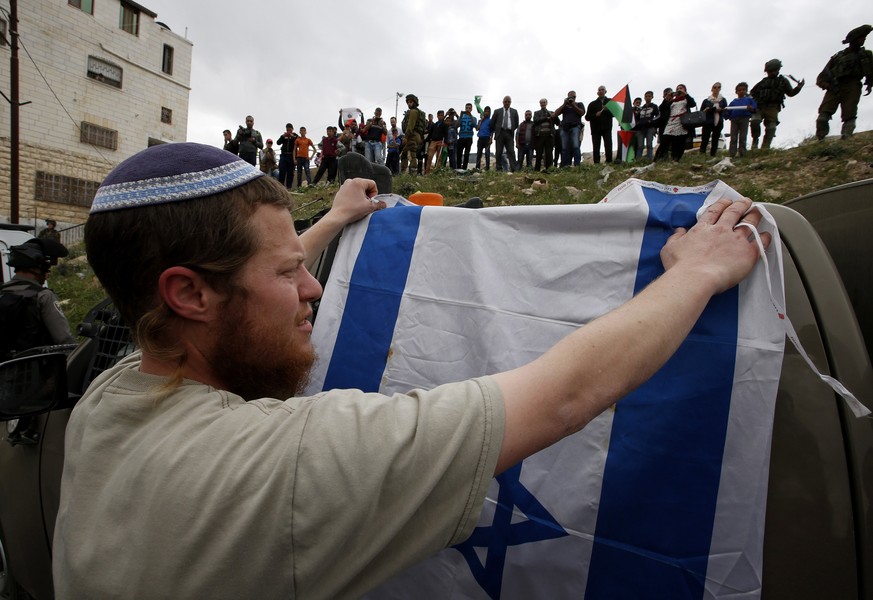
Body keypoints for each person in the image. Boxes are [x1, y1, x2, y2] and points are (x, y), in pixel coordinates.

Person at [53, 141, 767, 598]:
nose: (312, 291)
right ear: (189, 292)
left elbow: (228, 297)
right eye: (289, 272)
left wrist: (328, 224)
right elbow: (565, 395)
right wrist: (694, 276)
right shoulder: (285, 462)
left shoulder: (116, 392)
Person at [1, 237, 76, 360]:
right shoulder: (43, 296)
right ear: (35, 268)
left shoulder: (2, 293)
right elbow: (64, 340)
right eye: (46, 269)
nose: (47, 275)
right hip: (36, 373)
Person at [815, 24, 873, 140]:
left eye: (864, 38)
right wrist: (826, 84)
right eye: (861, 38)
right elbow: (821, 76)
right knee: (823, 116)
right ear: (854, 40)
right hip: (834, 87)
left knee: (849, 115)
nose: (863, 40)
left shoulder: (866, 55)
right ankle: (821, 139)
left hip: (853, 86)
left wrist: (870, 83)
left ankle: (846, 139)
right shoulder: (837, 57)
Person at [750, 59, 804, 149]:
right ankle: (755, 142)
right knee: (755, 121)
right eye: (769, 71)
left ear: (778, 70)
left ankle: (765, 148)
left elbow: (790, 93)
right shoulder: (763, 82)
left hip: (773, 107)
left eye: (773, 71)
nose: (771, 73)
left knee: (771, 127)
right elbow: (752, 93)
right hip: (760, 106)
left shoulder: (782, 81)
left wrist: (798, 87)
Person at [660, 84, 697, 161]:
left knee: (679, 142)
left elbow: (693, 104)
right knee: (665, 139)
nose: (679, 90)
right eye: (677, 89)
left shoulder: (686, 99)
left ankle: (676, 159)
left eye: (681, 88)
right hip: (671, 121)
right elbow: (662, 109)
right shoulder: (672, 101)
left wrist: (685, 94)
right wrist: (667, 98)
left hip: (682, 122)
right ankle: (658, 159)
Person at [553, 90, 586, 166]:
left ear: (575, 97)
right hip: (564, 128)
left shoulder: (579, 104)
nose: (571, 98)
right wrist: (564, 104)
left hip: (575, 127)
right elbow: (555, 114)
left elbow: (582, 113)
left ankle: (577, 165)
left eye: (573, 97)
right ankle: (566, 165)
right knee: (564, 148)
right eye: (570, 97)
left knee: (575, 146)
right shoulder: (565, 107)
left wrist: (574, 105)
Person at [725, 82, 757, 158]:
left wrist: (751, 108)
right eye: (739, 90)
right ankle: (732, 154)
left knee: (743, 137)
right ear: (736, 92)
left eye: (743, 90)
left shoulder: (749, 100)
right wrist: (725, 113)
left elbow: (754, 108)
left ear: (746, 91)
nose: (741, 91)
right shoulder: (733, 102)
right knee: (733, 137)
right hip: (734, 120)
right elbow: (727, 112)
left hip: (744, 119)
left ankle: (742, 154)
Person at [586, 86, 614, 164]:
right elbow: (587, 117)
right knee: (596, 146)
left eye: (602, 90)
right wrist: (595, 115)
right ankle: (597, 163)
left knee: (608, 144)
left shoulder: (610, 102)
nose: (601, 91)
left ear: (605, 91)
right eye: (599, 90)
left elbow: (615, 114)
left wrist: (608, 110)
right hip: (595, 129)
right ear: (597, 92)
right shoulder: (592, 104)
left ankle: (609, 161)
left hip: (607, 127)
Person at [491, 96, 519, 172]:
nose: (507, 103)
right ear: (503, 102)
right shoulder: (497, 111)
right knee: (499, 151)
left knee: (511, 151)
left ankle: (513, 169)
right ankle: (499, 169)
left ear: (510, 102)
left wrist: (511, 129)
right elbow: (492, 124)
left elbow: (516, 123)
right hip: (500, 133)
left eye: (508, 102)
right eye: (505, 101)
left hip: (509, 134)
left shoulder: (514, 111)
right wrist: (493, 134)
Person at [401, 94, 427, 175]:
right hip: (417, 136)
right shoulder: (419, 113)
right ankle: (405, 173)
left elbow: (410, 125)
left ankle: (411, 174)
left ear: (415, 102)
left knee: (411, 154)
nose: (409, 104)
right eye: (408, 102)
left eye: (411, 102)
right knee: (405, 154)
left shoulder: (413, 112)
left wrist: (406, 136)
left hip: (412, 135)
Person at [699, 83, 728, 157]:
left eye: (719, 87)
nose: (716, 89)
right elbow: (701, 111)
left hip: (718, 120)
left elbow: (725, 110)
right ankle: (702, 153)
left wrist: (720, 110)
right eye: (715, 87)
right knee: (705, 138)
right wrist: (707, 110)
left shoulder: (723, 100)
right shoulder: (706, 100)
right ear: (712, 89)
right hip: (708, 121)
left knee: (716, 138)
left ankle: (713, 154)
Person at [533, 98, 556, 172]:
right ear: (540, 104)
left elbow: (557, 122)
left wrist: (553, 116)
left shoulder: (551, 112)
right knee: (539, 153)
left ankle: (549, 169)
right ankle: (537, 170)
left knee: (549, 153)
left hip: (549, 136)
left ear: (546, 103)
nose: (542, 104)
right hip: (540, 136)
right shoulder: (537, 113)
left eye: (544, 102)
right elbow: (536, 121)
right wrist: (546, 118)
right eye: (541, 103)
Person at [636, 91, 660, 161]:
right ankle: (638, 160)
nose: (647, 97)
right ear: (644, 97)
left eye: (649, 96)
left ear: (652, 97)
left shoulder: (654, 106)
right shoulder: (641, 108)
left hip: (650, 127)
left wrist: (652, 121)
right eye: (646, 96)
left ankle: (649, 160)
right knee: (640, 146)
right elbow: (636, 118)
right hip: (641, 128)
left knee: (649, 145)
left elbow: (658, 116)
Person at [275, 123, 298, 189]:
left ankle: (289, 187)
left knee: (290, 172)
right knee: (282, 171)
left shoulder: (295, 135)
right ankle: (280, 187)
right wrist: (283, 136)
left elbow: (298, 140)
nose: (289, 131)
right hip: (283, 155)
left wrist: (292, 136)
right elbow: (278, 143)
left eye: (290, 130)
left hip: (291, 156)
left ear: (292, 129)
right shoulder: (283, 136)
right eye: (287, 130)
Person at [456, 103, 478, 169]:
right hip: (461, 137)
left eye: (469, 108)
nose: (468, 109)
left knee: (466, 154)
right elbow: (457, 126)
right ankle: (459, 168)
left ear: (471, 109)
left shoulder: (474, 118)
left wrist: (470, 115)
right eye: (467, 108)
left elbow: (475, 125)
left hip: (469, 137)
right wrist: (460, 116)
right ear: (465, 108)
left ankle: (464, 168)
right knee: (459, 154)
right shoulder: (462, 117)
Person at [426, 109, 447, 174]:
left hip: (441, 141)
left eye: (442, 115)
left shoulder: (444, 124)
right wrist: (426, 140)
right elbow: (430, 134)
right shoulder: (434, 125)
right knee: (429, 156)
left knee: (439, 157)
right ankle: (427, 172)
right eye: (439, 115)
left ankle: (437, 172)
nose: (441, 117)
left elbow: (446, 133)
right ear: (437, 116)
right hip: (433, 141)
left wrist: (445, 142)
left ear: (443, 116)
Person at [475, 105, 492, 170]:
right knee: (479, 153)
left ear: (490, 113)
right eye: (485, 111)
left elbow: (492, 130)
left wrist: (491, 138)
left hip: (487, 138)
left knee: (487, 154)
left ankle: (487, 168)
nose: (486, 113)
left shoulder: (490, 121)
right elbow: (477, 128)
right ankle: (477, 168)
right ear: (484, 112)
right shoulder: (480, 120)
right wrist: (482, 120)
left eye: (488, 112)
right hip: (480, 138)